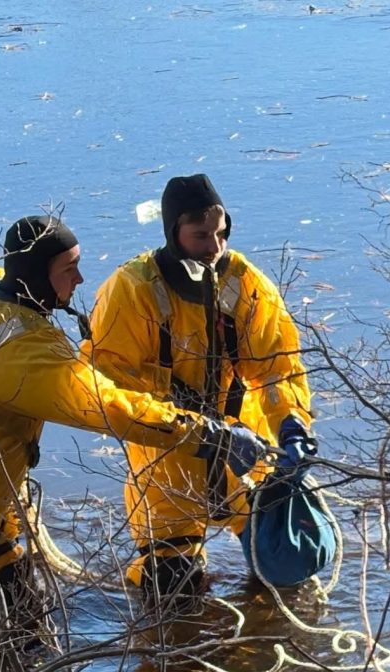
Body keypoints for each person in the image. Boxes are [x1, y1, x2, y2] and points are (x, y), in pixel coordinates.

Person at [0, 215, 271, 634]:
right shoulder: (26, 357)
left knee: (14, 610)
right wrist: (209, 433)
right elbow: (110, 407)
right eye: (69, 269)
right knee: (19, 634)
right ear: (35, 275)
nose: (80, 279)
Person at [84, 174, 315, 600]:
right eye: (201, 236)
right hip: (168, 461)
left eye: (221, 233)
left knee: (289, 568)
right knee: (171, 589)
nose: (215, 247)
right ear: (174, 232)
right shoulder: (133, 289)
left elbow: (277, 368)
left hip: (244, 456)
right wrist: (184, 422)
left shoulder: (245, 283)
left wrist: (292, 424)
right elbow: (107, 384)